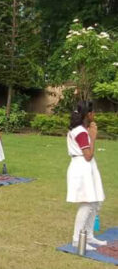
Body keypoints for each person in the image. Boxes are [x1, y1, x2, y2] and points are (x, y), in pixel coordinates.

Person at [66, 101, 106, 250]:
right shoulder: (81, 132)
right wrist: (93, 137)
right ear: (88, 115)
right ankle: (77, 238)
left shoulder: (79, 129)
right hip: (82, 166)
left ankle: (88, 235)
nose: (94, 115)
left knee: (95, 201)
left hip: (86, 166)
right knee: (87, 203)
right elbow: (88, 155)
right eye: (93, 112)